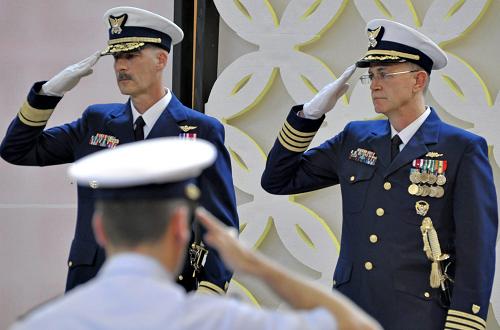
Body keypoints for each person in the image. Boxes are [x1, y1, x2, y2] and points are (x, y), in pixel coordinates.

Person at [261, 19, 497, 330]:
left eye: (385, 74)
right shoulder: (356, 138)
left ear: (418, 79)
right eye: (371, 75)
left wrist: (464, 322)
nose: (374, 83)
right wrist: (309, 116)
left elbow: (476, 248)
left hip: (418, 316)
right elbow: (278, 180)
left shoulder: (461, 149)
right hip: (351, 310)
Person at [9, 137, 381, 330]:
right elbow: (358, 327)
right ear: (179, 229)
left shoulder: (42, 323)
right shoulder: (219, 321)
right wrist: (258, 267)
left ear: (100, 228)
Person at [0, 7, 238, 294]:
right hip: (94, 282)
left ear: (161, 60)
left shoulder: (200, 130)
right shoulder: (96, 121)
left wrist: (210, 289)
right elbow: (17, 150)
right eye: (116, 57)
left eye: (131, 56)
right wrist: (48, 94)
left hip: (164, 284)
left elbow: (221, 221)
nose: (120, 66)